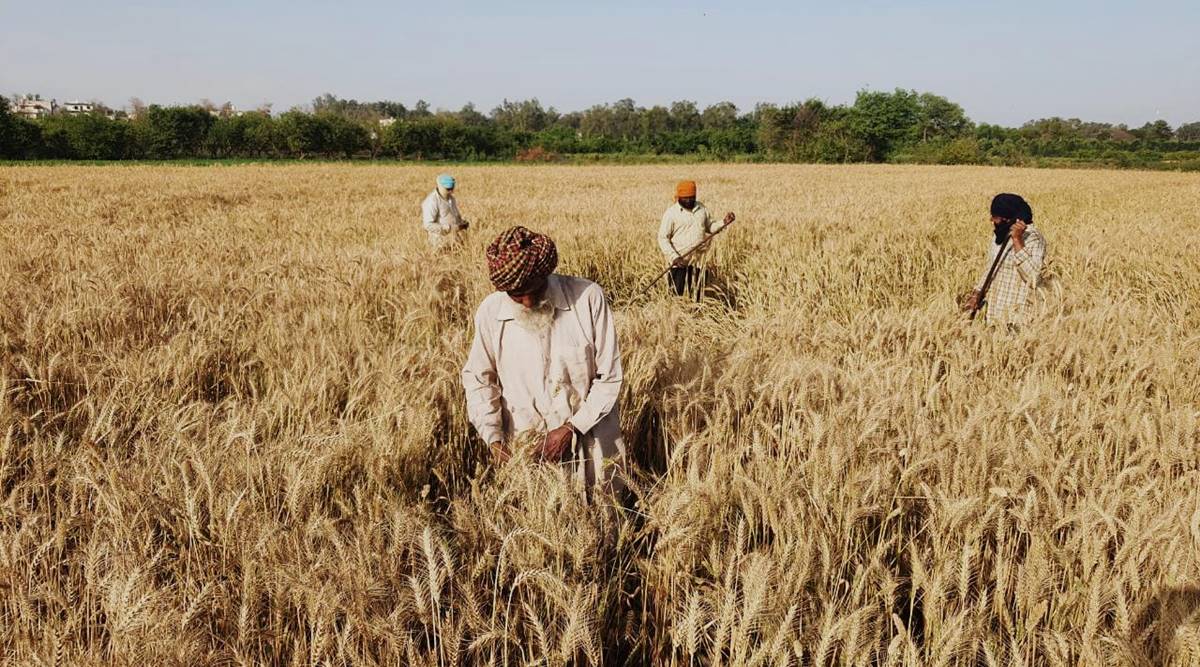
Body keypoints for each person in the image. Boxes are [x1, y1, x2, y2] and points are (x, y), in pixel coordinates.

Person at [462, 226, 626, 495]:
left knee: (601, 520)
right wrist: (493, 439)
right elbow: (479, 379)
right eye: (516, 295)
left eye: (534, 290)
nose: (527, 302)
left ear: (546, 275)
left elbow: (610, 378)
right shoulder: (491, 313)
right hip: (528, 450)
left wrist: (572, 427)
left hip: (591, 445)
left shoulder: (587, 299)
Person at [962, 193, 1047, 326]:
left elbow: (1033, 277)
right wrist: (977, 293)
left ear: (1008, 218)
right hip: (994, 314)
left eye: (995, 216)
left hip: (1017, 319)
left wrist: (1017, 240)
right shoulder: (1000, 235)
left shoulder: (1033, 237)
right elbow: (991, 268)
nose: (991, 219)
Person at [657, 180, 735, 297]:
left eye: (691, 197)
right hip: (679, 264)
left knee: (698, 295)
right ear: (678, 197)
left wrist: (724, 222)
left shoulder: (701, 209)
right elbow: (663, 238)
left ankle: (696, 314)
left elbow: (710, 226)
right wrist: (675, 257)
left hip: (698, 262)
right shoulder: (671, 213)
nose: (689, 200)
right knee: (677, 295)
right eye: (685, 198)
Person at [421, 173, 468, 248]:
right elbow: (427, 225)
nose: (451, 191)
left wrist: (461, 223)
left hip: (454, 242)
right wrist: (449, 228)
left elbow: (454, 216)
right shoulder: (431, 201)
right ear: (440, 186)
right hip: (439, 244)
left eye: (452, 189)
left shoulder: (451, 199)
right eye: (448, 189)